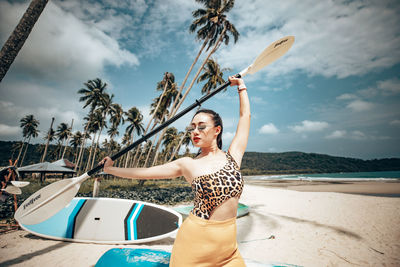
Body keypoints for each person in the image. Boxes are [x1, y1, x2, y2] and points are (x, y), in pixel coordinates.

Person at [100, 75, 250, 267]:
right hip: (194, 246)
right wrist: (111, 169)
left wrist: (241, 87)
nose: (195, 131)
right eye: (192, 128)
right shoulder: (187, 164)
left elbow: (245, 117)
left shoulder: (233, 156)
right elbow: (144, 172)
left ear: (217, 130)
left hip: (229, 250)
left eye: (202, 127)